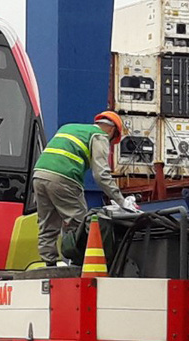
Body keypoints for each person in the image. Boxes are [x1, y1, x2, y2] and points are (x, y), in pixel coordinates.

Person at [32, 111, 136, 267]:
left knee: (48, 222)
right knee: (80, 223)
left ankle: (50, 264)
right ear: (112, 130)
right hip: (64, 178)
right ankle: (78, 263)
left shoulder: (69, 127)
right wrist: (121, 201)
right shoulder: (99, 136)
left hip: (39, 175)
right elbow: (101, 174)